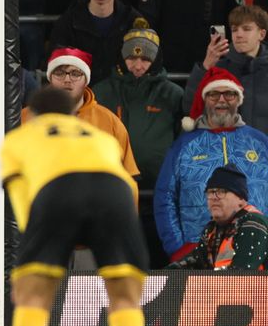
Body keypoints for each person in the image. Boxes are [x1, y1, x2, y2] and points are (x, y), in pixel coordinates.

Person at [3, 86, 150, 326]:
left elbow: (23, 200)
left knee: (32, 300)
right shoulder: (99, 136)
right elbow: (125, 185)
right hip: (114, 195)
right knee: (126, 301)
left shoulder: (19, 138)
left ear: (34, 115)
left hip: (56, 192)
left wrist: (39, 256)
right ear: (72, 115)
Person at [154, 67, 268, 260]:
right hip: (196, 250)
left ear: (239, 100)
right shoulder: (184, 145)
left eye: (229, 94)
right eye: (214, 94)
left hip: (255, 250)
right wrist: (177, 248)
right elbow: (165, 198)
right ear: (205, 100)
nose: (221, 100)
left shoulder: (260, 143)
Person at [91, 28, 184, 188]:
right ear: (122, 57)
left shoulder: (172, 94)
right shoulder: (101, 92)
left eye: (146, 59)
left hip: (161, 183)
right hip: (111, 183)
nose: (138, 66)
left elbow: (182, 140)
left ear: (156, 59)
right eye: (131, 58)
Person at [32, 48, 139, 178]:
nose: (67, 79)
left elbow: (128, 177)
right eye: (59, 73)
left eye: (75, 73)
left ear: (86, 80)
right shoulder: (27, 117)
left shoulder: (110, 122)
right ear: (50, 78)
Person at [50, 0, 144, 84]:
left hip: (121, 96)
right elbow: (58, 64)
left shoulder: (133, 22)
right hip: (80, 94)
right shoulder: (68, 22)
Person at [183, 5, 268, 133]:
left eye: (246, 29)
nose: (239, 35)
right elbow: (190, 107)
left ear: (261, 34)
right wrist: (205, 67)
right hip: (224, 148)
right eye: (234, 29)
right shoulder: (219, 67)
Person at [167, 164, 268, 271]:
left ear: (241, 198)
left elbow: (241, 274)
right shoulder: (212, 229)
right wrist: (158, 278)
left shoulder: (253, 223)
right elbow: (193, 261)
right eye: (210, 192)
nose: (214, 197)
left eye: (221, 192)